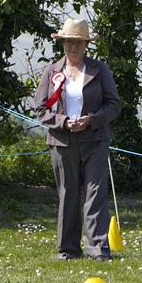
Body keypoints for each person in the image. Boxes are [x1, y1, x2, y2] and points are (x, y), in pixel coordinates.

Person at [33, 18, 121, 262]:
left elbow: (114, 105)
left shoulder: (99, 70)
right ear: (62, 43)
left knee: (95, 193)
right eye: (69, 42)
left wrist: (90, 119)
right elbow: (40, 109)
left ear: (86, 45)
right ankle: (68, 250)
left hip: (95, 140)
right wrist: (63, 122)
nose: (74, 47)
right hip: (62, 143)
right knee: (68, 193)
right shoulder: (51, 71)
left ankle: (98, 250)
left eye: (79, 42)